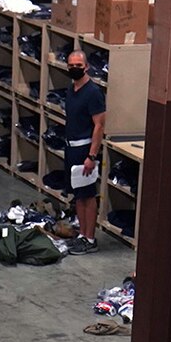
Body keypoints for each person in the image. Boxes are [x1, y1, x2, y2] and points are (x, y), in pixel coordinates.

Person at [63, 50, 106, 253]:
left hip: (84, 149)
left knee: (88, 195)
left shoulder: (93, 93)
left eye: (78, 66)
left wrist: (92, 155)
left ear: (86, 67)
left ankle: (90, 239)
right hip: (71, 147)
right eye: (71, 65)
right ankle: (82, 233)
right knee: (78, 195)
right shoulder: (71, 89)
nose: (74, 69)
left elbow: (99, 126)